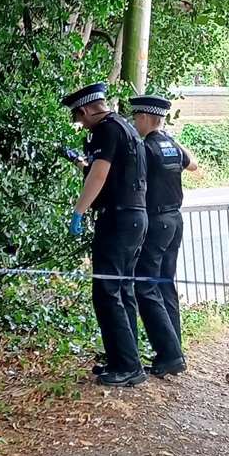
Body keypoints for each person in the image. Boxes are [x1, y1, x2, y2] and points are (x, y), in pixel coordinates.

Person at [61, 80, 150, 387]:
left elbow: (99, 174)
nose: (80, 124)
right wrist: (81, 163)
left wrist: (79, 210)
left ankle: (127, 367)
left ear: (86, 109)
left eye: (79, 118)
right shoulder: (125, 127)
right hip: (136, 216)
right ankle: (125, 359)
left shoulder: (105, 130)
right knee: (122, 290)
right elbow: (108, 170)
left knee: (107, 291)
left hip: (118, 219)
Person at [130, 94, 193, 375]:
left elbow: (129, 178)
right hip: (175, 219)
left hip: (156, 222)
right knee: (165, 284)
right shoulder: (171, 145)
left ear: (145, 118)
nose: (134, 123)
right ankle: (174, 349)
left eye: (135, 118)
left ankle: (169, 354)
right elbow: (192, 165)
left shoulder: (146, 148)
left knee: (145, 285)